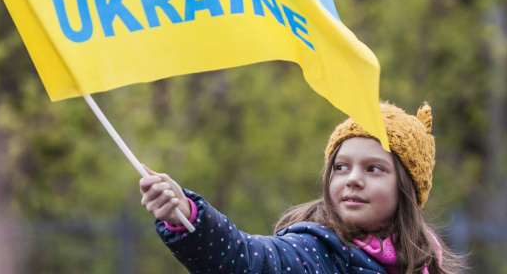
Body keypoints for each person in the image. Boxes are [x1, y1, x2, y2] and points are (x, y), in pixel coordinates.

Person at [140, 101, 464, 274]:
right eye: (341, 167)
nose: (352, 178)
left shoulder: (425, 263)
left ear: (408, 189)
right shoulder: (315, 253)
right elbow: (246, 260)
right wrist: (188, 216)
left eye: (373, 169)